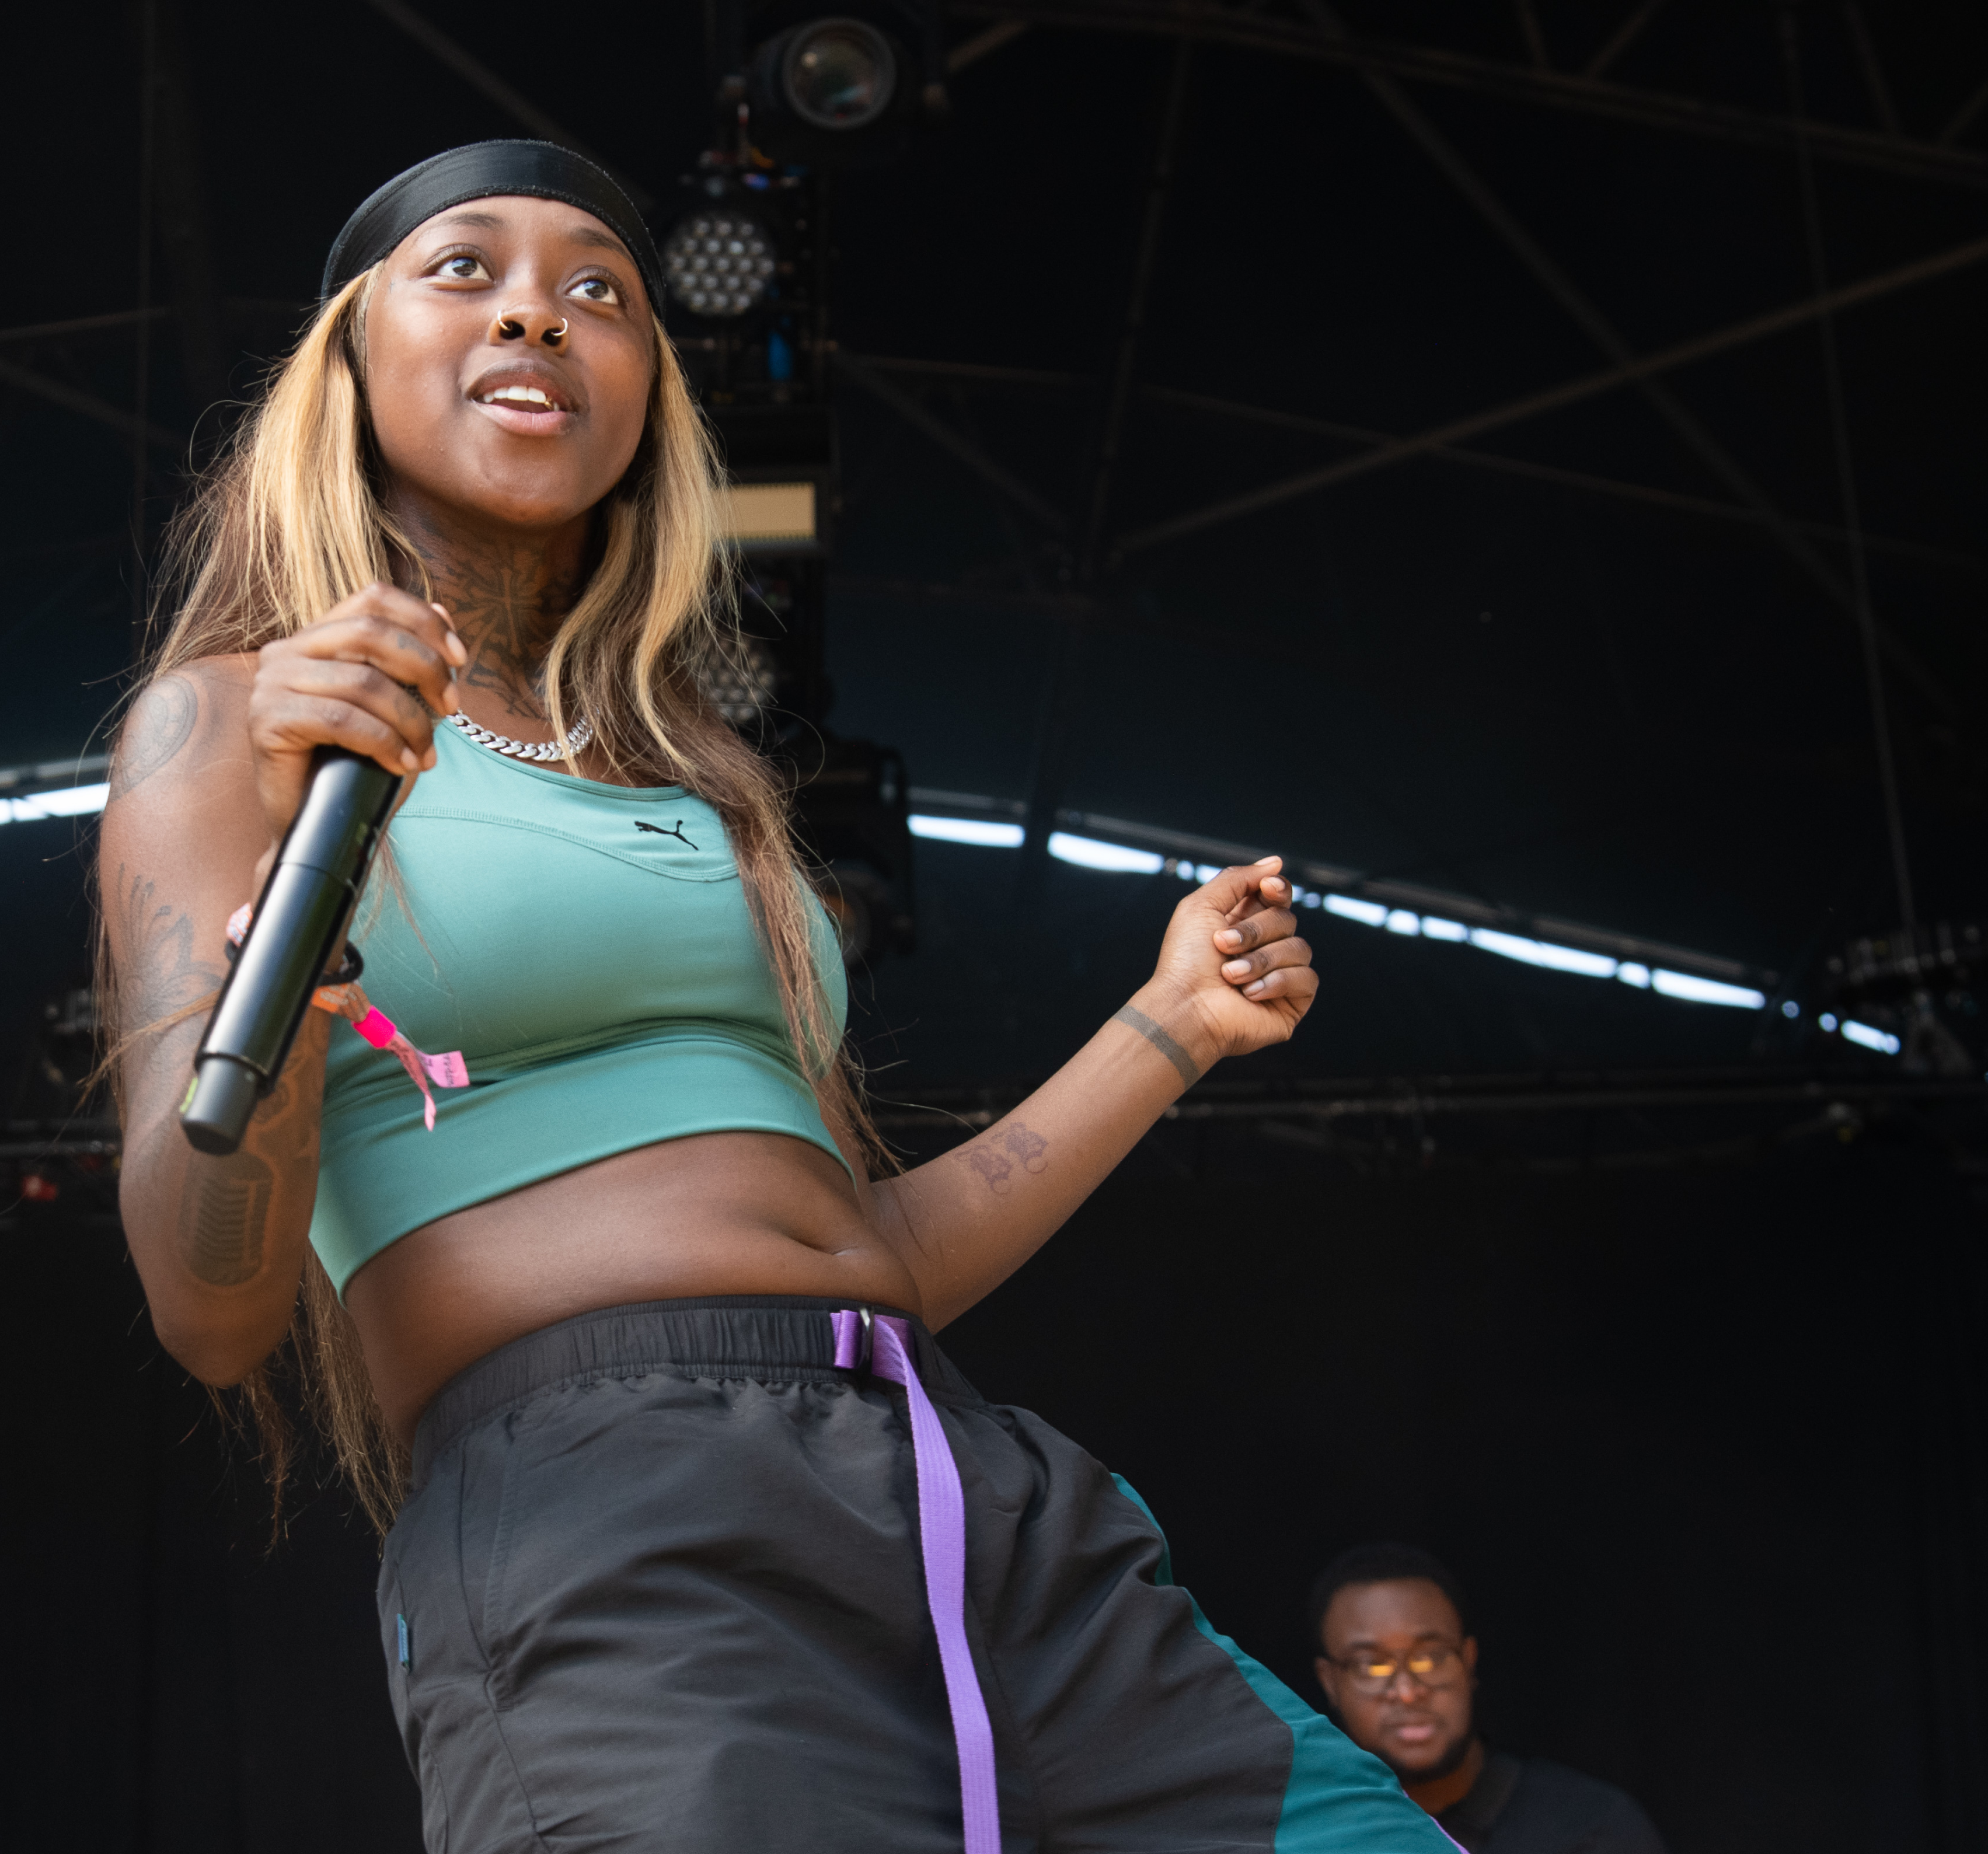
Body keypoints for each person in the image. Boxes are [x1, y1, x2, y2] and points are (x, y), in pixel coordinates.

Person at [97, 137, 1454, 1854]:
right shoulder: (231, 724)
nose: (539, 309)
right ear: (347, 365)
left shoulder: (700, 778)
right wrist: (285, 957)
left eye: (600, 292)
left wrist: (1168, 1025)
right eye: (466, 271)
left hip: (951, 1476)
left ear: (646, 399)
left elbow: (856, 1256)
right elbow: (209, 1306)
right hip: (612, 1513)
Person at [1309, 1545, 1669, 1853]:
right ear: (1330, 1682)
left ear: (1468, 1661)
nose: (1407, 1691)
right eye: (1372, 1666)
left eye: (1430, 1658)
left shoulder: (1590, 1829)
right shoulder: (1306, 1834)